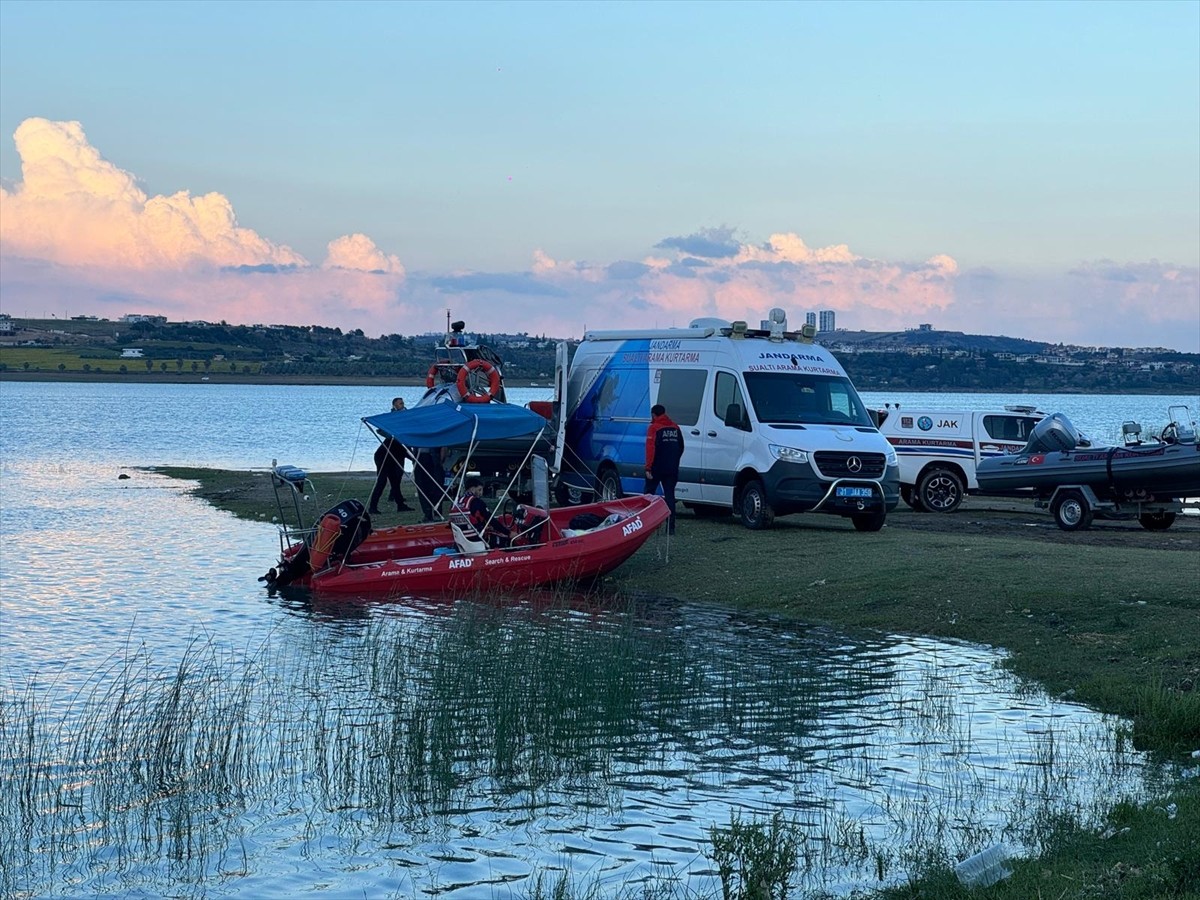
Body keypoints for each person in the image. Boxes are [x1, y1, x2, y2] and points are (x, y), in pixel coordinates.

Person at [644, 403, 684, 534]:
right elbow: (681, 447)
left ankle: (646, 524)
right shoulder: (675, 427)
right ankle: (671, 527)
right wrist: (674, 461)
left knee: (648, 495)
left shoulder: (654, 428)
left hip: (656, 468)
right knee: (670, 496)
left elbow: (650, 449)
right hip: (672, 468)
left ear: (653, 415)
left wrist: (648, 468)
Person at [368, 398, 412, 514]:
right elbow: (380, 430)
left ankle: (400, 505)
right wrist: (414, 458)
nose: (403, 405)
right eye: (400, 403)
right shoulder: (394, 428)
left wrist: (414, 458)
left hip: (392, 457)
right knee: (382, 481)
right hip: (383, 456)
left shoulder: (402, 434)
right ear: (394, 405)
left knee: (395, 482)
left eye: (403, 403)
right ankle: (372, 507)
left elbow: (406, 451)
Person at [450, 476, 510, 548]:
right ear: (472, 489)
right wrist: (508, 532)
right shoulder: (476, 502)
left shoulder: (455, 503)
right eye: (479, 490)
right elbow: (491, 520)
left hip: (460, 541)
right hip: (475, 540)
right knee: (505, 540)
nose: (481, 493)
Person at [413, 445, 448, 522]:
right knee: (421, 487)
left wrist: (440, 460)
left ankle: (437, 513)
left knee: (436, 487)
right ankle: (427, 514)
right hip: (419, 457)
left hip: (433, 458)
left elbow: (443, 446)